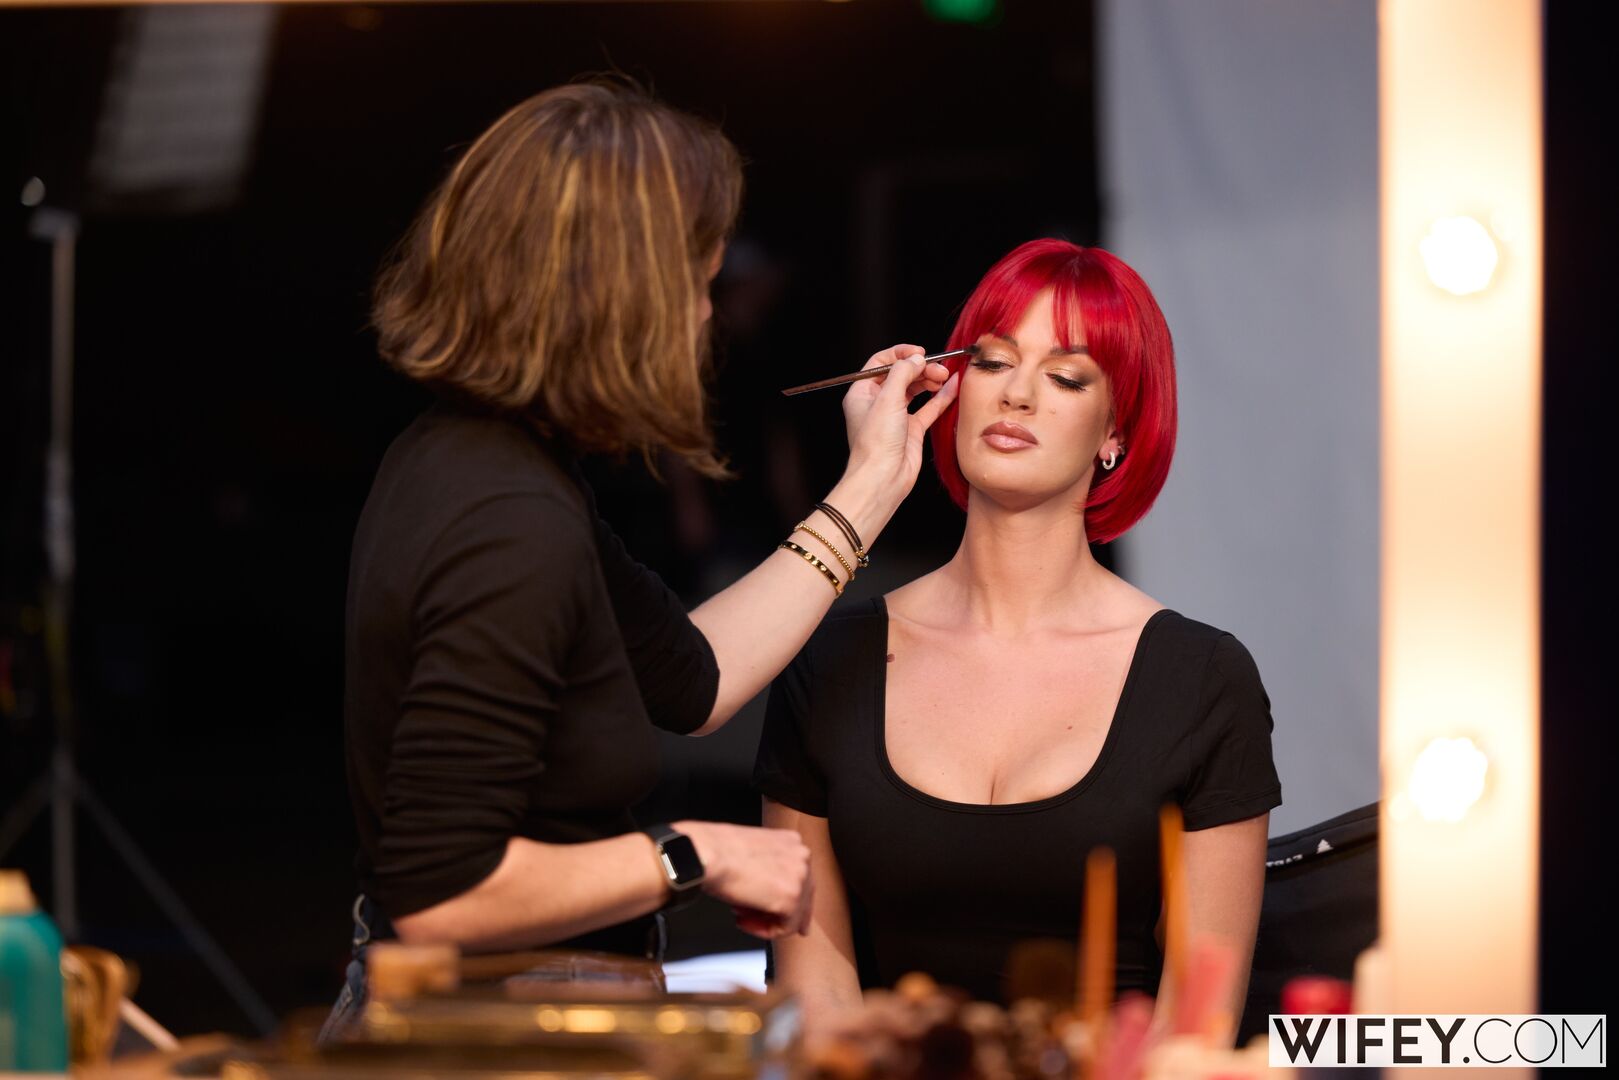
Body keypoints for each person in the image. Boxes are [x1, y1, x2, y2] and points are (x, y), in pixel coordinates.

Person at [324, 79, 961, 1035]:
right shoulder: (508, 517)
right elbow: (441, 889)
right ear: (621, 299)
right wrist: (696, 855)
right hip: (494, 1040)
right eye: (697, 285)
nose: (705, 316)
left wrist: (870, 485)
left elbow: (693, 679)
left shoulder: (484, 458)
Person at [754, 238, 1282, 1041]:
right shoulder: (830, 659)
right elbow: (814, 989)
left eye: (1066, 377)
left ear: (1115, 430)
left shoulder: (1201, 679)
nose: (1017, 395)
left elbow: (1194, 1024)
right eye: (993, 362)